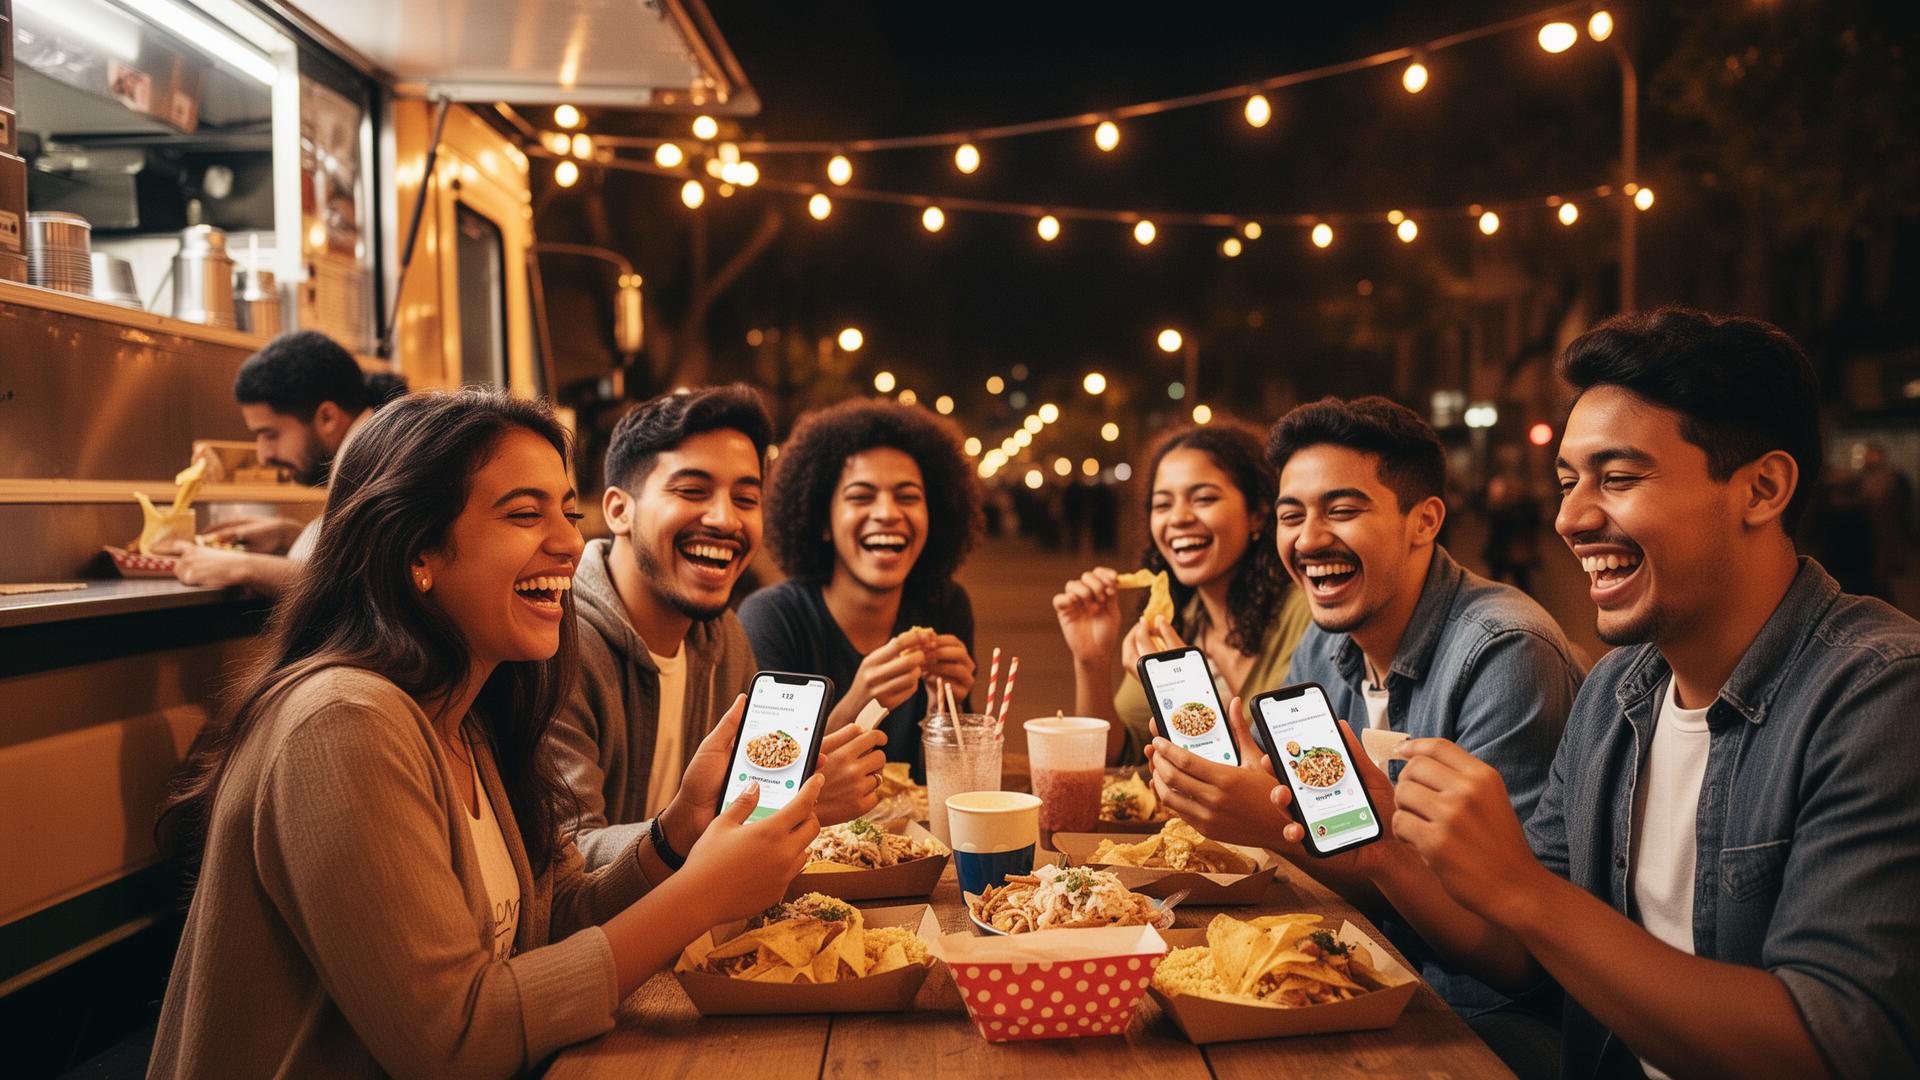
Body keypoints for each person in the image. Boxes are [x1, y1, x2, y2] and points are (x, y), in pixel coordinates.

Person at [1274, 309, 1920, 1079]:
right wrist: (1388, 856)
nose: (1571, 518)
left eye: (1616, 479)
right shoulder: (1620, 690)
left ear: (1763, 488)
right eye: (1568, 482)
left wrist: (1529, 893)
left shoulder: (1879, 693)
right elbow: (1525, 960)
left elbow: (1840, 1044)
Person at [150, 390, 821, 1079]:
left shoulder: (469, 712)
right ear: (418, 551)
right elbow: (454, 1039)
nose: (568, 541)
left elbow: (554, 915)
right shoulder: (342, 722)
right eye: (524, 514)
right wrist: (701, 896)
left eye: (566, 510)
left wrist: (673, 837)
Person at [1144, 397, 1580, 1024]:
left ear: (1424, 521)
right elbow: (1361, 869)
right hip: (1364, 975)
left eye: (1342, 510)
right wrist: (1259, 800)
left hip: (1481, 1019)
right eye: (1292, 515)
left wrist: (1275, 828)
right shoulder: (1327, 640)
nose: (1309, 538)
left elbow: (1517, 953)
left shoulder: (1505, 653)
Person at [546, 387, 886, 869]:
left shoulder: (725, 640)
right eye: (691, 491)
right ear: (619, 510)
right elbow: (568, 858)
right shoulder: (557, 643)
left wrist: (797, 787)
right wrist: (789, 808)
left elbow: (741, 801)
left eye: (746, 498)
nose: (726, 519)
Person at [740, 399, 983, 780]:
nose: (887, 512)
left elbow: (949, 789)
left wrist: (944, 710)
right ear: (822, 520)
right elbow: (766, 784)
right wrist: (858, 701)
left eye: (908, 497)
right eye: (860, 496)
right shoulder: (771, 618)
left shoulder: (945, 605)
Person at [1052, 424, 1312, 764]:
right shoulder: (1177, 623)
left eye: (1204, 498)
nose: (1178, 518)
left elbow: (1289, 767)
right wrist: (1092, 661)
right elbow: (1113, 757)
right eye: (1162, 505)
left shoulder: (1305, 613)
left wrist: (1181, 686)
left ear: (1258, 514)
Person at [165, 331, 386, 595]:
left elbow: (364, 585)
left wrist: (243, 566)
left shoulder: (382, 462)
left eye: (270, 434)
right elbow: (359, 556)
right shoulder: (369, 450)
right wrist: (290, 536)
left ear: (327, 417)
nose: (264, 455)